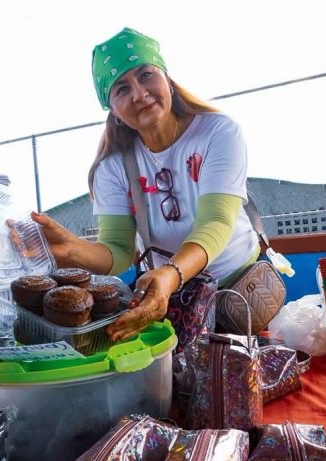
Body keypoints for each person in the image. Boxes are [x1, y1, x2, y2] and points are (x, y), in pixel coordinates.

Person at [31, 28, 258, 342]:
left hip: (240, 293)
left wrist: (171, 273)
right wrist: (70, 248)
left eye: (146, 75)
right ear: (113, 110)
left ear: (167, 79)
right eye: (122, 89)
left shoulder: (218, 132)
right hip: (177, 299)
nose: (139, 94)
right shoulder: (112, 167)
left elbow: (216, 221)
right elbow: (118, 251)